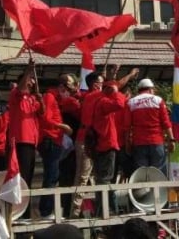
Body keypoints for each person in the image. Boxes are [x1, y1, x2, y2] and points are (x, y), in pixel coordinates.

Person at [9, 59, 43, 219]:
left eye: (32, 83)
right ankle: (18, 212)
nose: (31, 85)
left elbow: (41, 112)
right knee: (19, 179)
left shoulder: (32, 99)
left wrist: (40, 98)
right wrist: (29, 69)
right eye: (29, 82)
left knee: (27, 180)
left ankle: (26, 214)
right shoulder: (16, 95)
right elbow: (22, 87)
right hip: (20, 142)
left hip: (30, 143)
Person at [90, 80, 127, 215]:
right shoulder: (104, 102)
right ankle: (104, 211)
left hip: (102, 145)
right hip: (107, 145)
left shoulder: (99, 102)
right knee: (106, 179)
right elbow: (120, 104)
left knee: (104, 179)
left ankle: (107, 210)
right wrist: (116, 92)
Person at [71, 71, 104, 218]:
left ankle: (92, 211)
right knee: (82, 177)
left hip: (95, 140)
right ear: (94, 84)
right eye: (101, 83)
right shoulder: (92, 96)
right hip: (85, 140)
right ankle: (75, 212)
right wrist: (129, 75)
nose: (103, 86)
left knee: (93, 177)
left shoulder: (88, 97)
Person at [48, 73, 82, 218]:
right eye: (62, 83)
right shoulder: (53, 98)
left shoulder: (77, 100)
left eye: (68, 84)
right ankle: (61, 212)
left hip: (76, 147)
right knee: (61, 179)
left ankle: (73, 213)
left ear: (76, 86)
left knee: (75, 180)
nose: (65, 87)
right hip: (59, 146)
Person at [37, 86, 73, 219]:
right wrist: (63, 126)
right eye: (68, 90)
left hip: (54, 140)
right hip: (50, 139)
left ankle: (46, 210)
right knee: (51, 176)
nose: (69, 94)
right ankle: (46, 211)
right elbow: (46, 118)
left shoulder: (54, 99)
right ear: (62, 88)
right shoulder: (49, 97)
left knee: (52, 175)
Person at [126, 78, 174, 175]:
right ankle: (158, 190)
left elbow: (127, 126)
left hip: (139, 143)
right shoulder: (158, 100)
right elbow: (166, 122)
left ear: (139, 90)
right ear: (150, 89)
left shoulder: (131, 102)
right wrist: (171, 139)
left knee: (141, 174)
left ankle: (143, 190)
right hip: (157, 142)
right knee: (158, 173)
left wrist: (127, 144)